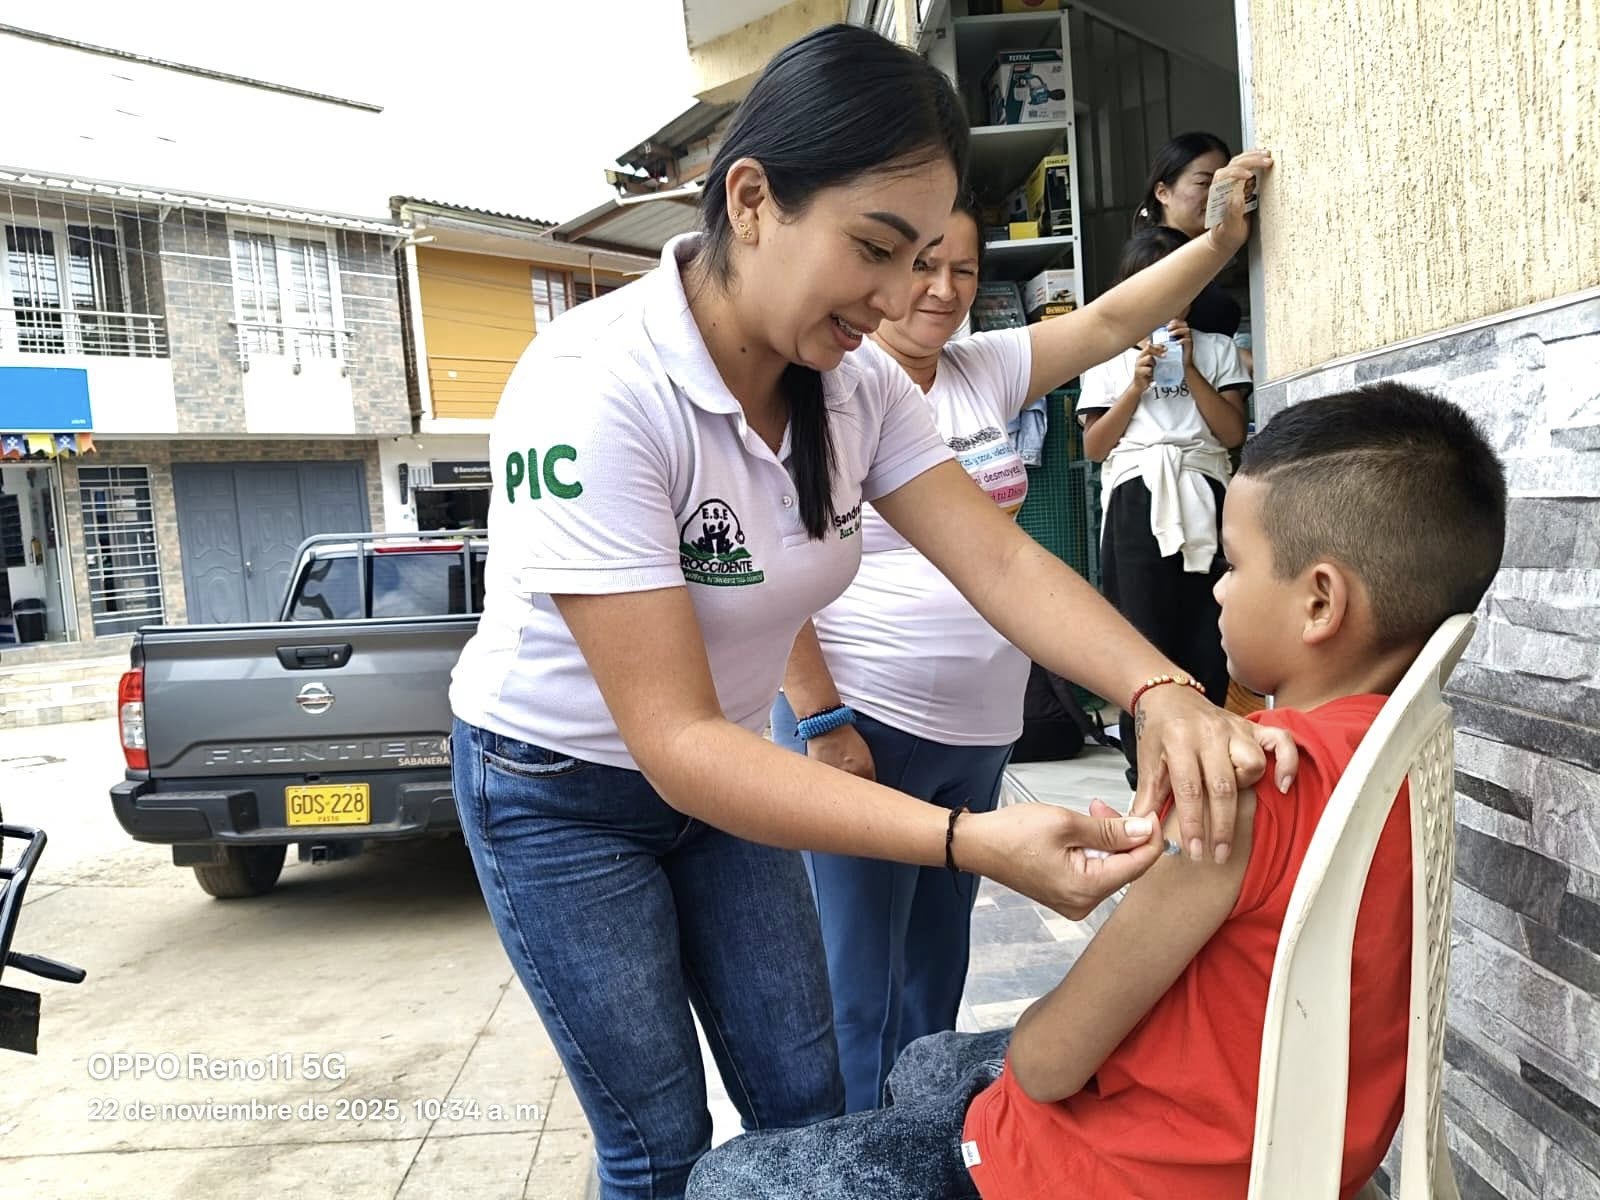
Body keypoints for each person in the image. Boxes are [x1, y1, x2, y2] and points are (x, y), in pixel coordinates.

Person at [448, 24, 1285, 1200]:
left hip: (725, 773)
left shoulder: (852, 388)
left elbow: (996, 562)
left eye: (927, 260)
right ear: (751, 200)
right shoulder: (592, 391)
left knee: (807, 1109)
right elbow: (672, 742)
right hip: (559, 793)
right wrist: (968, 842)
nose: (902, 297)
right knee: (659, 1145)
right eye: (877, 251)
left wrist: (1162, 690)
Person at [686, 382, 1508, 1200]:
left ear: (1320, 601)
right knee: (924, 1062)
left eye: (1235, 563)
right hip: (1308, 1147)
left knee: (730, 1178)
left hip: (1107, 1171)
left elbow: (1047, 1068)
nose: (1217, 587)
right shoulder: (1399, 752)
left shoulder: (1237, 787)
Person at [773, 190, 1257, 1113]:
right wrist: (821, 718)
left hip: (976, 733)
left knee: (931, 976)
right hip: (861, 724)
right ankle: (838, 1153)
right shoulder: (830, 381)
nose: (944, 290)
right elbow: (778, 562)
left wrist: (1218, 243)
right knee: (853, 983)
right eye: (922, 265)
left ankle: (909, 1148)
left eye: (964, 270)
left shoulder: (983, 370)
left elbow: (1117, 316)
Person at [1079, 225, 1253, 787]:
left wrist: (1191, 365)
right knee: (1140, 632)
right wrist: (1135, 384)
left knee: (1209, 630)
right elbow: (1095, 446)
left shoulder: (1220, 348)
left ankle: (1204, 758)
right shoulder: (1104, 353)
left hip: (1204, 490)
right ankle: (1145, 769)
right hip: (1136, 496)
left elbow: (1230, 432)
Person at [1133, 130, 1242, 338]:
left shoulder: (1223, 245)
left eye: (1223, 184)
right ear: (1162, 192)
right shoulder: (1153, 256)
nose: (1215, 194)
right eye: (1203, 183)